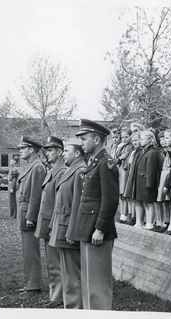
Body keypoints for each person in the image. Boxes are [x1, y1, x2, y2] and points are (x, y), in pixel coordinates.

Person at [72, 119, 119, 310]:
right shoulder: (94, 161)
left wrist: (100, 228)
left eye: (84, 139)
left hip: (97, 231)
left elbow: (110, 200)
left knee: (98, 285)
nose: (81, 143)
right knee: (89, 281)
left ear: (97, 139)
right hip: (87, 228)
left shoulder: (105, 163)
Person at [49, 138, 86, 308]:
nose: (63, 154)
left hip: (68, 229)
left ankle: (74, 308)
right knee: (67, 271)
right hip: (62, 225)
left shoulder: (80, 171)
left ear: (77, 153)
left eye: (66, 151)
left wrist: (72, 232)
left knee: (72, 273)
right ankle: (70, 305)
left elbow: (78, 205)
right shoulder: (71, 170)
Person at [35, 136, 66, 307]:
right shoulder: (53, 170)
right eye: (46, 150)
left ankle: (58, 296)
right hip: (48, 223)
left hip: (54, 224)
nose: (47, 153)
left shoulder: (61, 171)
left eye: (51, 150)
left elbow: (60, 202)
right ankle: (56, 293)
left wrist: (54, 224)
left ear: (60, 151)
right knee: (52, 262)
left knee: (56, 263)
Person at [16, 136, 46, 292]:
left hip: (29, 214)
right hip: (24, 212)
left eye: (23, 148)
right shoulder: (30, 166)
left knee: (31, 251)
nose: (20, 151)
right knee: (27, 250)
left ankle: (33, 284)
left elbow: (36, 195)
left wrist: (31, 217)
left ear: (32, 149)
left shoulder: (37, 167)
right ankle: (30, 283)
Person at [135, 130, 162, 230]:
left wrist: (149, 184)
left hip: (147, 182)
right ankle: (144, 222)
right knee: (144, 202)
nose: (140, 140)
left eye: (142, 138)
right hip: (142, 181)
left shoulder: (152, 152)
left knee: (149, 203)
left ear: (150, 139)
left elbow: (151, 170)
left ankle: (150, 223)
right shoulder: (145, 151)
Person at [123, 132, 143, 226]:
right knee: (130, 197)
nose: (135, 142)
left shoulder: (140, 151)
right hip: (130, 175)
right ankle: (131, 214)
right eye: (133, 141)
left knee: (135, 198)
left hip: (136, 176)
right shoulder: (133, 152)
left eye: (136, 140)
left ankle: (136, 217)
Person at [117, 128, 133, 224]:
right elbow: (117, 155)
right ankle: (122, 213)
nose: (124, 139)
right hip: (121, 170)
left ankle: (126, 214)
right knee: (121, 193)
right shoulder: (122, 146)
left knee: (124, 193)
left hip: (126, 170)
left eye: (126, 137)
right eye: (122, 137)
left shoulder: (130, 146)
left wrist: (118, 158)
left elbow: (123, 156)